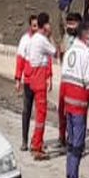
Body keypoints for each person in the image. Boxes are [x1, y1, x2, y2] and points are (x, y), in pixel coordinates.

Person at [60, 20, 89, 178]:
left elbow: (64, 78)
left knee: (71, 143)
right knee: (77, 144)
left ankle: (69, 175)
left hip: (69, 104)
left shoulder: (70, 52)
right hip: (79, 105)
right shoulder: (84, 54)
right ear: (85, 35)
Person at [25, 13, 57, 160]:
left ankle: (35, 140)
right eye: (49, 24)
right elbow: (55, 52)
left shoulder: (33, 39)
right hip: (39, 77)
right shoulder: (42, 40)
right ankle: (37, 145)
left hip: (33, 75)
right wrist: (51, 37)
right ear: (45, 25)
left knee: (38, 113)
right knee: (41, 114)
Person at [14, 15, 39, 151]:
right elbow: (20, 61)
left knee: (39, 112)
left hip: (39, 80)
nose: (36, 28)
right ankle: (24, 140)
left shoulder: (42, 40)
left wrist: (48, 77)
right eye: (34, 25)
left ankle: (36, 141)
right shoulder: (25, 40)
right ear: (30, 26)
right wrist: (18, 79)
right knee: (26, 111)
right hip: (28, 80)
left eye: (38, 25)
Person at [57, 12, 81, 148]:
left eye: (73, 23)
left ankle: (75, 141)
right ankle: (62, 136)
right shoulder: (66, 37)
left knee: (75, 114)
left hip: (76, 82)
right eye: (68, 23)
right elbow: (61, 53)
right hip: (65, 79)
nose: (70, 25)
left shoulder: (83, 40)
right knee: (62, 110)